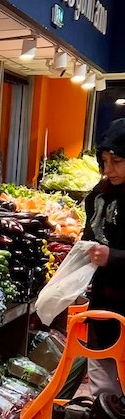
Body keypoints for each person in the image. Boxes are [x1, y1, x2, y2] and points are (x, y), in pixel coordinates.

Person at [83, 118, 125, 397]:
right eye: (104, 161)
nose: (108, 169)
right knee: (102, 378)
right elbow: (89, 236)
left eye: (117, 161)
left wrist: (114, 257)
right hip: (104, 306)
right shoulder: (99, 196)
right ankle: (105, 416)